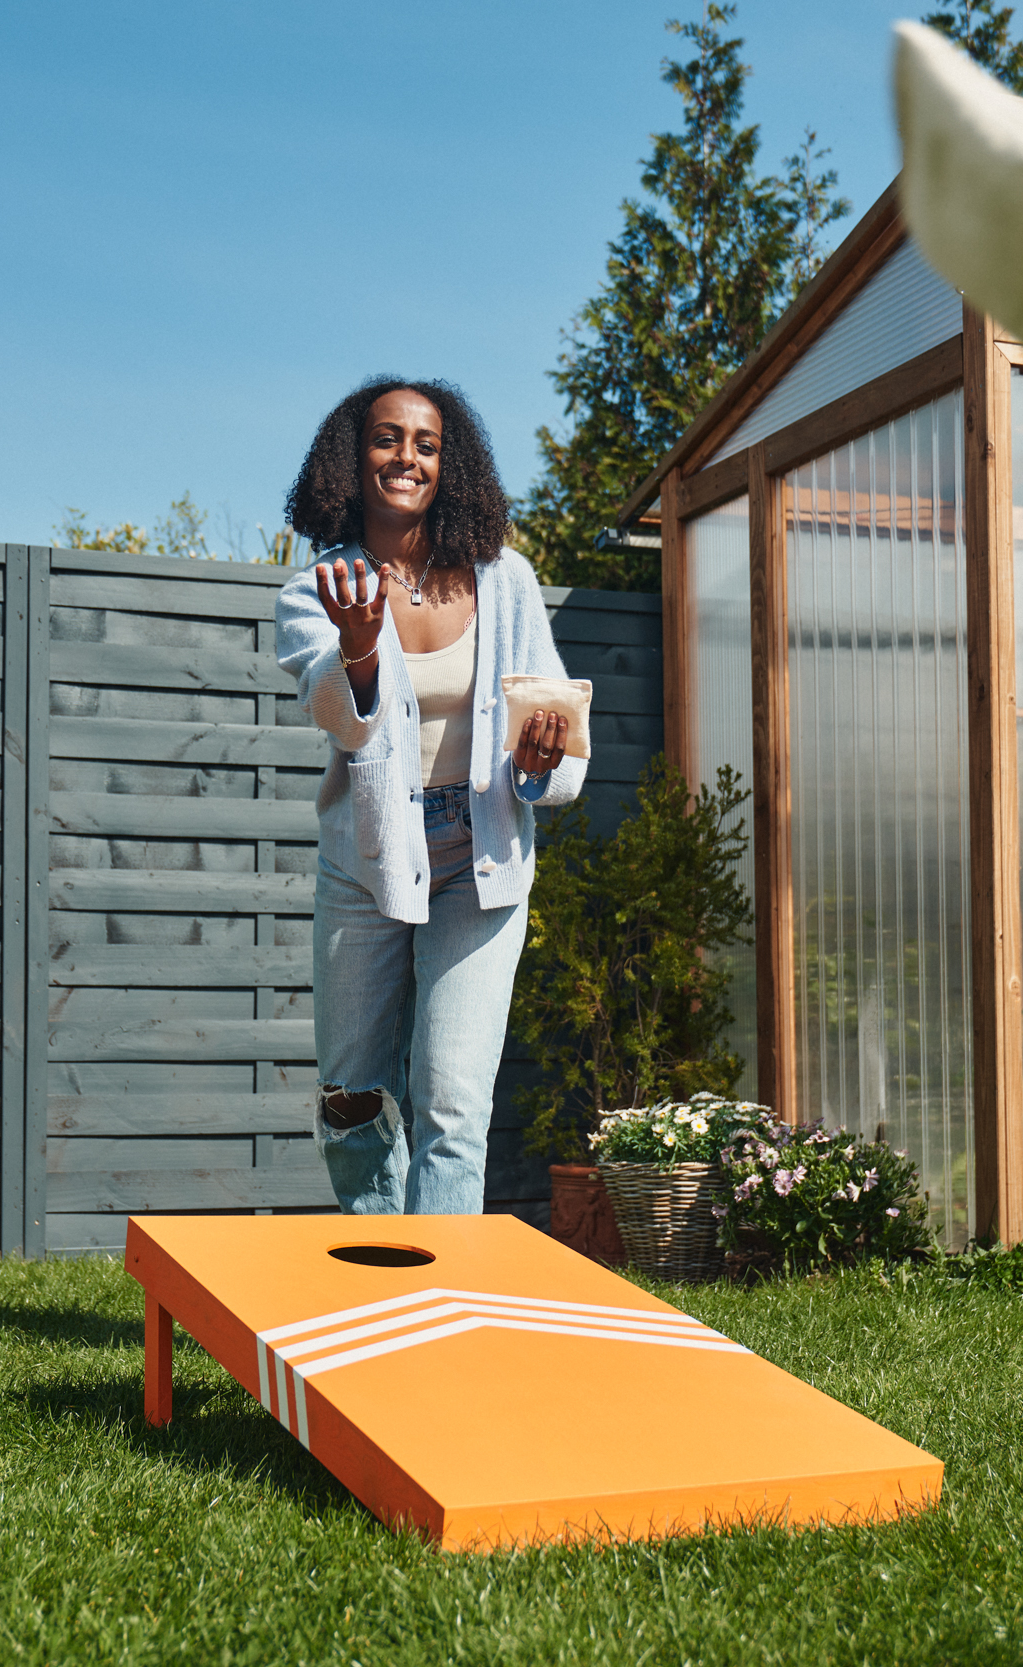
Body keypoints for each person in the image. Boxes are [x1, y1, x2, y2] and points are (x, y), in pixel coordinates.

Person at [274, 378, 581, 1214]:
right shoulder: (318, 591)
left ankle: (438, 1302)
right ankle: (383, 1274)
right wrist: (361, 650)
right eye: (386, 438)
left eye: (426, 443)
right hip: (368, 858)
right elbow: (338, 716)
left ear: (450, 465)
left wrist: (537, 756)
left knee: (452, 1103)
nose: (405, 456)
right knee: (352, 1097)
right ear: (353, 455)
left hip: (480, 857)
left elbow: (551, 718)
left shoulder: (503, 579)